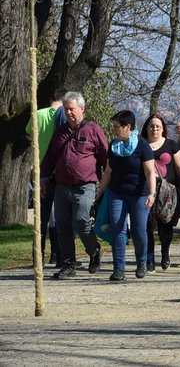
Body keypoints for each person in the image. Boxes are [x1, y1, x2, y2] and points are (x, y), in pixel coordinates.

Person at [40, 91, 108, 279]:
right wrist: (44, 178)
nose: (68, 113)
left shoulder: (93, 130)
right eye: (66, 109)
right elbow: (49, 158)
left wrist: (107, 182)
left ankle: (94, 251)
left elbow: (105, 157)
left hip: (85, 186)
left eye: (71, 109)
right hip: (62, 186)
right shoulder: (60, 132)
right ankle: (68, 264)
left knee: (81, 221)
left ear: (81, 109)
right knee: (62, 226)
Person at [96, 110, 155, 281]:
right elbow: (108, 171)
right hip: (117, 193)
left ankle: (142, 262)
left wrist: (152, 193)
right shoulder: (113, 146)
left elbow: (150, 171)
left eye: (117, 127)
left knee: (139, 231)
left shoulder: (142, 146)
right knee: (118, 229)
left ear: (127, 127)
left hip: (139, 195)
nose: (114, 129)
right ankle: (119, 269)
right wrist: (100, 191)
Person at [142, 113, 180, 271]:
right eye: (151, 126)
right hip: (146, 192)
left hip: (168, 193)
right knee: (146, 226)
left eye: (157, 126)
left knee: (166, 225)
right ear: (146, 128)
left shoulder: (171, 145)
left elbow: (179, 168)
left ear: (163, 128)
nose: (154, 129)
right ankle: (149, 258)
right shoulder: (140, 145)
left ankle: (165, 254)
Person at [26, 88, 65, 266]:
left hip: (40, 168)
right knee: (58, 215)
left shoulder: (38, 114)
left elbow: (29, 133)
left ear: (51, 98)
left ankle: (37, 256)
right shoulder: (64, 116)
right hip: (58, 169)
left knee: (41, 215)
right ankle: (57, 255)